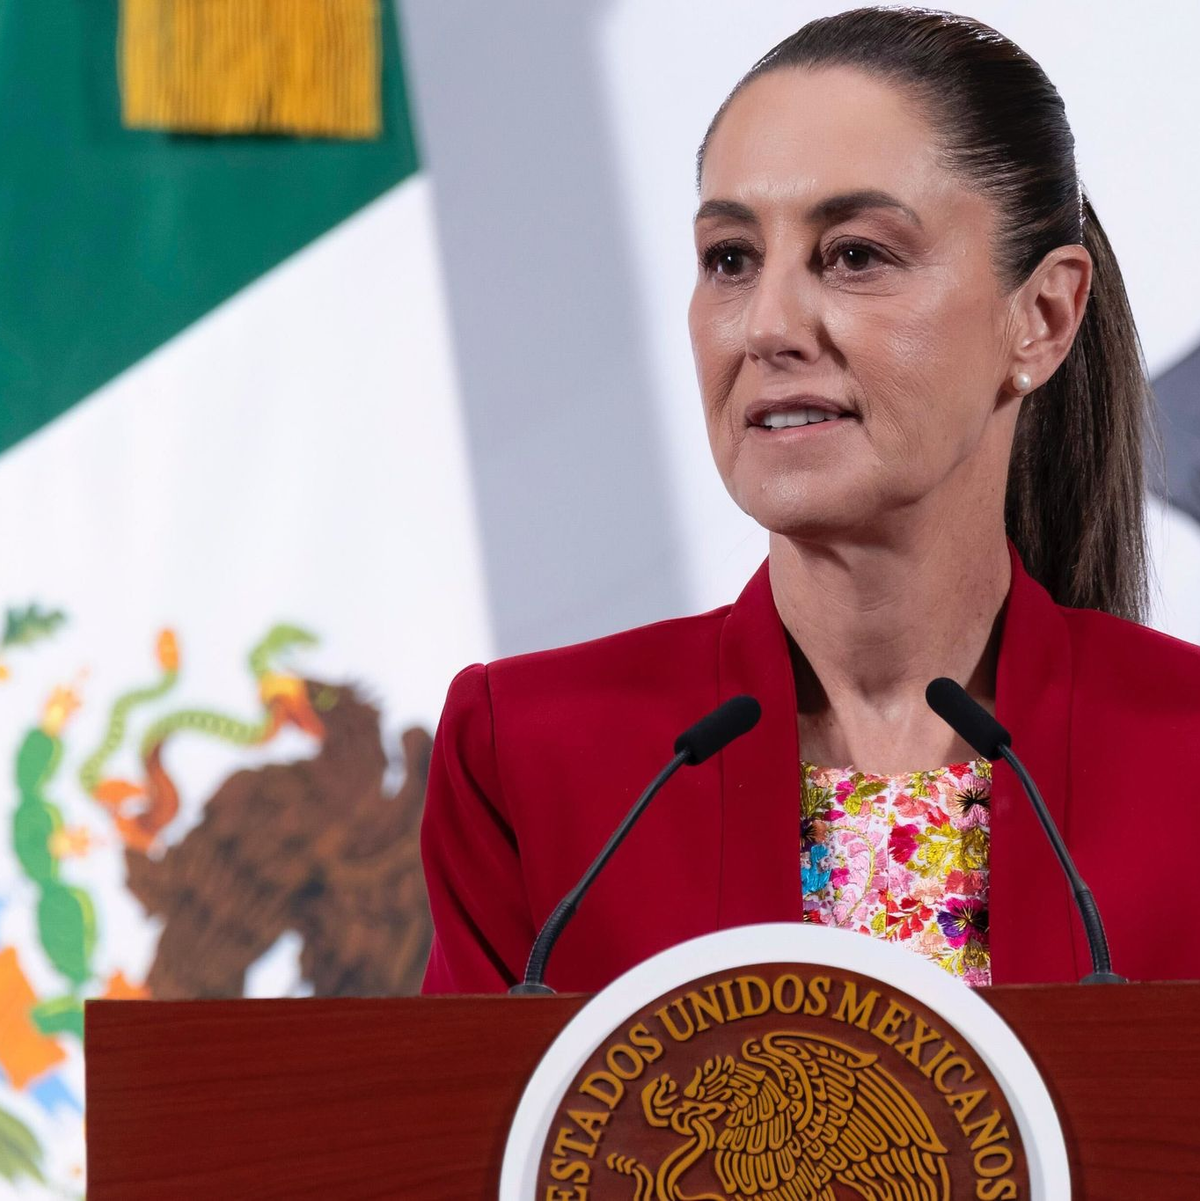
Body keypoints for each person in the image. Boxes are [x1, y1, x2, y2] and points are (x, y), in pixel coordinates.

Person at [420, 7, 1200, 995]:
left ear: (1042, 317)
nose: (767, 325)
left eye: (855, 254)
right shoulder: (530, 756)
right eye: (730, 259)